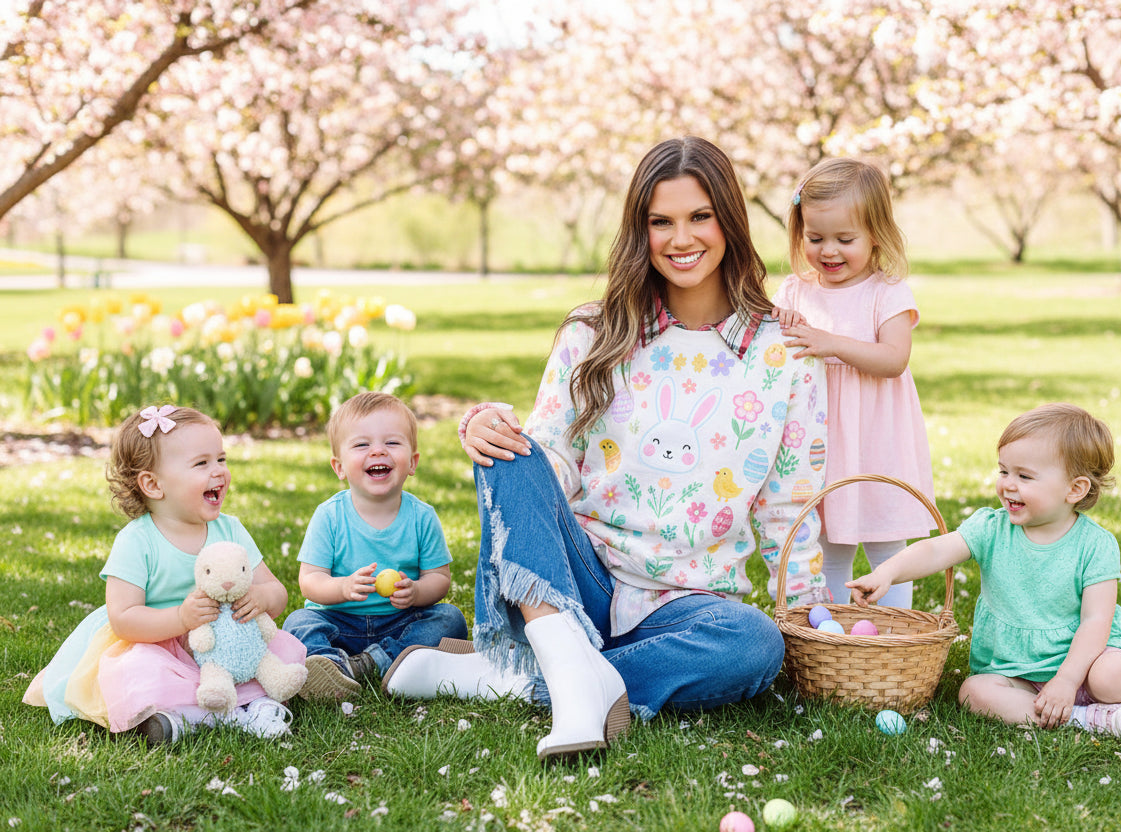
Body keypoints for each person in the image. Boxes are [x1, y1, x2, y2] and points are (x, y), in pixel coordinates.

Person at [386, 136, 831, 760]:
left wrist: (809, 605)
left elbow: (790, 500)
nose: (682, 238)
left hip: (687, 605)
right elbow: (549, 458)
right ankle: (568, 671)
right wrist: (485, 429)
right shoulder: (593, 333)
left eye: (700, 216)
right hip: (576, 582)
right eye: (661, 222)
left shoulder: (782, 351)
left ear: (729, 220)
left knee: (753, 647)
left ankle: (522, 678)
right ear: (638, 230)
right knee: (506, 446)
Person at [847, 403, 1121, 741]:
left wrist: (1069, 681)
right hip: (1016, 667)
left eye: (1024, 476)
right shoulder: (991, 527)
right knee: (975, 692)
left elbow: (1095, 621)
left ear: (1074, 489)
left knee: (1113, 678)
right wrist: (888, 571)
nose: (1007, 486)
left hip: (1089, 661)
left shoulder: (1095, 545)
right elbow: (937, 549)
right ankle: (1086, 719)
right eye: (1004, 471)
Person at [22, 405, 306, 744]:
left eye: (221, 459)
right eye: (202, 463)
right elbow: (124, 619)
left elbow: (277, 592)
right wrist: (181, 618)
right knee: (139, 671)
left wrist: (262, 598)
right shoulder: (137, 541)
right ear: (154, 485)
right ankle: (194, 715)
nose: (218, 472)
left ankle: (246, 707)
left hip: (227, 644)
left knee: (283, 648)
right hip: (159, 643)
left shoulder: (230, 529)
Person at [772, 157, 935, 608]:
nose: (829, 251)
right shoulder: (795, 292)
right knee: (828, 544)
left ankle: (892, 634)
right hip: (819, 440)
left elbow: (894, 359)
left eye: (846, 239)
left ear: (876, 236)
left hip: (876, 438)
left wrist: (832, 342)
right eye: (815, 237)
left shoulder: (887, 292)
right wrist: (778, 320)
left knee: (886, 543)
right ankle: (832, 635)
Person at [281, 391, 483, 701]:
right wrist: (343, 587)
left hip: (399, 622)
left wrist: (416, 592)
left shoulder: (421, 517)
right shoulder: (330, 516)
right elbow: (310, 582)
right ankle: (331, 664)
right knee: (299, 622)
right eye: (362, 445)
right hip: (339, 621)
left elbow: (439, 579)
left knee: (449, 619)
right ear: (339, 467)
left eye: (392, 443)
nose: (378, 451)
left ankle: (363, 665)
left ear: (412, 462)